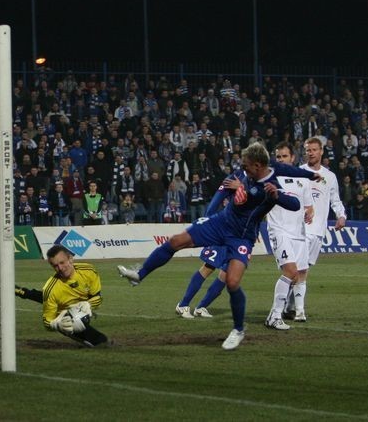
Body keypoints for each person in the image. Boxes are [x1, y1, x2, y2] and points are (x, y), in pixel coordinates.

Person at [117, 142, 320, 350]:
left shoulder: (270, 186)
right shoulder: (250, 172)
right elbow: (287, 171)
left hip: (242, 237)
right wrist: (312, 175)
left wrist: (277, 195)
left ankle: (238, 330)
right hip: (220, 223)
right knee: (176, 241)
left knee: (231, 282)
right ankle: (139, 274)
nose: (244, 168)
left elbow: (294, 205)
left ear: (258, 165)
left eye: (247, 165)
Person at [291, 137, 347, 322]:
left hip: (318, 230)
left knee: (301, 270)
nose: (311, 153)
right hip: (300, 229)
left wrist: (341, 215)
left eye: (314, 150)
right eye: (308, 150)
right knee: (301, 269)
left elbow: (335, 200)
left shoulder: (329, 176)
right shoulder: (298, 173)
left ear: (321, 151)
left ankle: (288, 306)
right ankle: (299, 310)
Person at [15, 245, 108, 347]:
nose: (60, 268)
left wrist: (89, 304)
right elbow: (47, 321)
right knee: (101, 341)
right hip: (65, 315)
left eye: (62, 262)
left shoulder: (88, 271)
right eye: (55, 266)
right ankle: (17, 290)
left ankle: (20, 291)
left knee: (40, 295)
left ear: (70, 259)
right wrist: (58, 324)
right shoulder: (51, 289)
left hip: (76, 304)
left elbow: (97, 297)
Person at [264, 142, 314, 330]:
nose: (281, 160)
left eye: (285, 156)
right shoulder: (271, 177)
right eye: (278, 157)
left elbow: (308, 206)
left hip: (298, 233)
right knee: (290, 272)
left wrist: (310, 212)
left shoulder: (303, 180)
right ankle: (275, 315)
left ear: (292, 158)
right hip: (279, 231)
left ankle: (290, 310)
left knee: (298, 275)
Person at [175, 246, 229, 319]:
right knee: (208, 268)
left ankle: (200, 308)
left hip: (236, 244)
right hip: (223, 240)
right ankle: (183, 305)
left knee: (226, 275)